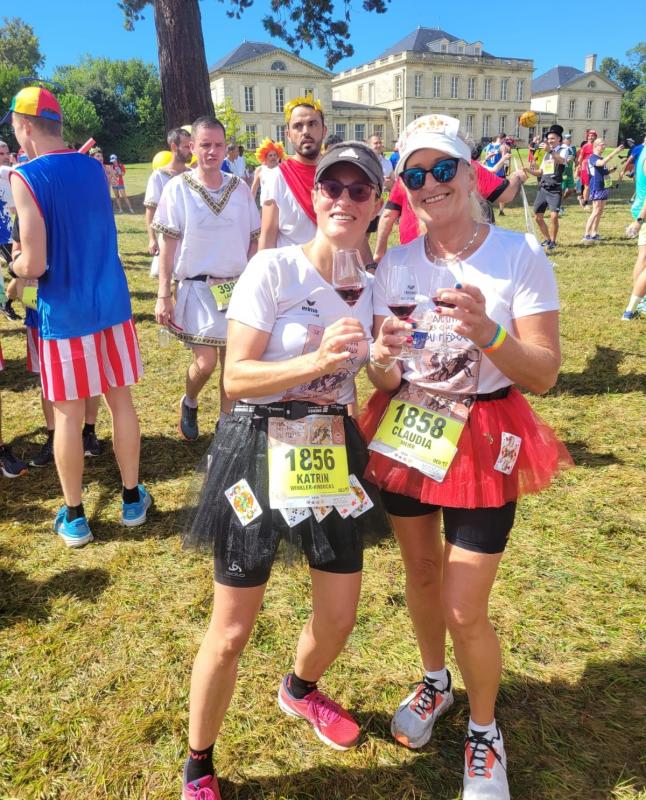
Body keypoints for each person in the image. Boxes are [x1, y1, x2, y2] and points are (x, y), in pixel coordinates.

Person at [359, 114, 572, 800]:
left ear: (469, 174)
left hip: (484, 436)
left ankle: (485, 731)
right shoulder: (395, 263)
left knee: (464, 606)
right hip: (411, 430)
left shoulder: (517, 254)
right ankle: (434, 681)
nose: (430, 184)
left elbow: (544, 373)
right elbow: (384, 379)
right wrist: (380, 358)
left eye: (443, 169)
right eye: (415, 175)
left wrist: (488, 332)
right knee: (421, 574)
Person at [180, 141, 390, 800]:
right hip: (256, 445)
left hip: (329, 447)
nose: (344, 200)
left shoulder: (370, 284)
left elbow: (379, 376)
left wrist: (387, 358)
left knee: (340, 614)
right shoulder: (272, 269)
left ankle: (300, 689)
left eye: (360, 190)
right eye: (333, 187)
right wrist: (316, 361)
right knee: (232, 628)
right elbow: (237, 378)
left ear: (376, 205)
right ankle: (199, 763)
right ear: (315, 196)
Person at [4, 86, 151, 547]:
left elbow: (35, 263)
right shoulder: (93, 168)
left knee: (67, 415)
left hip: (65, 314)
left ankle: (74, 516)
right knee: (120, 402)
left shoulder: (24, 176)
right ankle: (132, 499)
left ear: (24, 127)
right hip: (111, 305)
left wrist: (15, 266)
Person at [153, 116, 260, 441]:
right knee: (206, 362)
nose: (212, 151)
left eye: (218, 145)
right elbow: (168, 245)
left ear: (226, 147)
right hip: (198, 287)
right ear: (192, 147)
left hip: (236, 289)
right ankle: (190, 400)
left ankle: (225, 426)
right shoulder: (178, 188)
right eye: (205, 145)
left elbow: (254, 238)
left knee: (233, 363)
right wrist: (163, 294)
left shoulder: (239, 188)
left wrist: (252, 279)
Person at [5, 217, 103, 465]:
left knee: (88, 371)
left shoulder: (73, 202)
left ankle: (88, 433)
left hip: (76, 300)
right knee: (47, 376)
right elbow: (17, 252)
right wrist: (20, 268)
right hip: (41, 307)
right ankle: (54, 437)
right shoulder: (27, 208)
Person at [374, 159, 528, 261]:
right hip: (424, 254)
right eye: (416, 178)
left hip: (424, 253)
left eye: (445, 170)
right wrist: (517, 177)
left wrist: (378, 254)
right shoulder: (465, 165)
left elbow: (388, 215)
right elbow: (507, 194)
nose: (430, 184)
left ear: (470, 177)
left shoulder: (410, 173)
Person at [258, 96, 327, 249]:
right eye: (298, 126)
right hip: (292, 264)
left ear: (324, 131)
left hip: (334, 262)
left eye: (312, 124)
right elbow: (268, 236)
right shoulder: (276, 177)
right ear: (288, 135)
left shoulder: (337, 172)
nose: (306, 131)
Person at [144, 127, 192, 257]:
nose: (191, 150)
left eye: (191, 146)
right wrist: (152, 239)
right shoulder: (158, 176)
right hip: (168, 238)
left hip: (192, 238)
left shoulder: (193, 175)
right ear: (174, 147)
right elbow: (151, 209)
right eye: (186, 147)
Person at [526, 124, 571, 250]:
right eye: (548, 139)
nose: (550, 141)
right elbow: (541, 172)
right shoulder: (546, 154)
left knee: (554, 216)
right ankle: (547, 239)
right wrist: (528, 170)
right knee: (538, 217)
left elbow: (561, 161)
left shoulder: (563, 149)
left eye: (552, 138)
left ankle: (553, 241)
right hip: (543, 188)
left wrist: (550, 151)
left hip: (555, 188)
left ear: (559, 139)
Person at [582, 138, 626, 243]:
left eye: (604, 144)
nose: (604, 146)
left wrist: (610, 171)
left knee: (600, 211)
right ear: (596, 146)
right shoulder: (592, 158)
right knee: (595, 211)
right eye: (602, 144)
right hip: (596, 186)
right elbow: (600, 164)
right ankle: (586, 235)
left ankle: (594, 233)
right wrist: (615, 152)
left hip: (604, 186)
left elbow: (602, 171)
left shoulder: (600, 158)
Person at [622, 141, 646, 320]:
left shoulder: (643, 151)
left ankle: (639, 301)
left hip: (640, 209)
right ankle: (634, 306)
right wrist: (639, 221)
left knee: (643, 258)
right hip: (643, 212)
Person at [0, 139, 21, 321]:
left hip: (13, 231)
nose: (6, 157)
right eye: (1, 154)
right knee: (20, 270)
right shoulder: (3, 171)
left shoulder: (6, 176)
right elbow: (18, 170)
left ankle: (6, 303)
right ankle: (5, 303)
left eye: (7, 153)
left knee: (21, 271)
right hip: (4, 234)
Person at [481, 133, 510, 216]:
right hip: (499, 172)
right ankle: (501, 210)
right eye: (505, 139)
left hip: (488, 171)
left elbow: (486, 156)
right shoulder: (502, 147)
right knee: (502, 192)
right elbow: (505, 159)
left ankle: (486, 208)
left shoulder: (488, 146)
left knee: (487, 191)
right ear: (502, 138)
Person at [250, 138, 285, 204]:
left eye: (274, 155)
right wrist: (250, 205)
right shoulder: (260, 169)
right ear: (265, 157)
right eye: (270, 155)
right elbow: (254, 189)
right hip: (265, 204)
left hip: (280, 204)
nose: (273, 157)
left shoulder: (282, 168)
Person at [576, 129, 597, 208]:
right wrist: (579, 166)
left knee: (594, 185)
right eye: (589, 136)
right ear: (587, 137)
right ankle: (586, 203)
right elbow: (580, 158)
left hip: (595, 166)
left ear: (595, 137)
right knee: (587, 186)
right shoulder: (585, 146)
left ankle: (591, 201)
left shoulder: (596, 146)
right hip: (586, 167)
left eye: (593, 136)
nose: (591, 137)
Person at [560, 133, 577, 205]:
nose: (569, 140)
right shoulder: (561, 148)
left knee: (571, 189)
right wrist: (566, 160)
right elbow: (559, 160)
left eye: (569, 138)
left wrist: (576, 163)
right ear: (563, 140)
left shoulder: (573, 148)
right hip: (563, 171)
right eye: (567, 139)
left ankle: (560, 201)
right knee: (563, 188)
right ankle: (559, 205)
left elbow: (575, 157)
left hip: (570, 171)